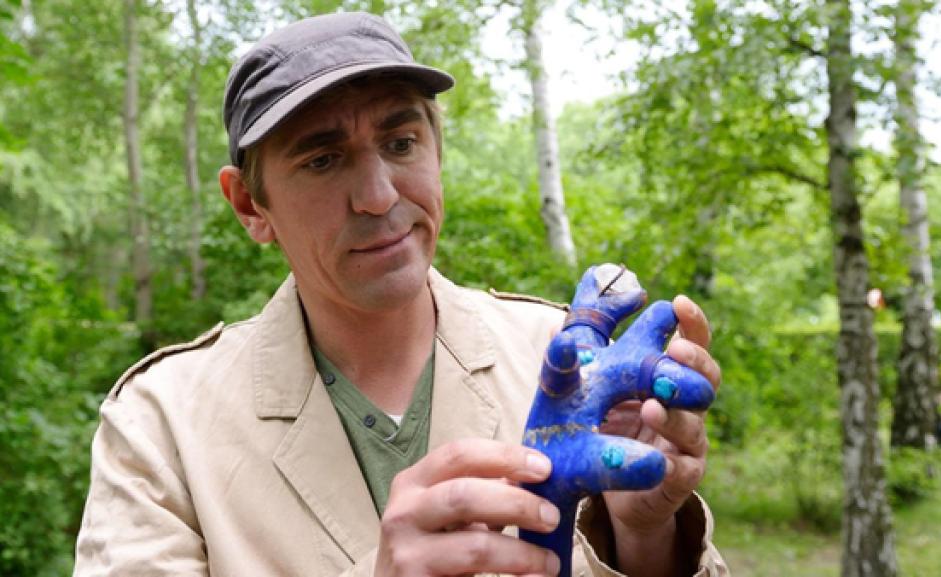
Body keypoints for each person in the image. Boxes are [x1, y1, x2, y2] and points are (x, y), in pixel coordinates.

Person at [73, 11, 729, 577]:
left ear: (437, 151)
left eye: (401, 141)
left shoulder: (562, 363)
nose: (380, 196)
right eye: (322, 159)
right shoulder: (160, 426)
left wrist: (646, 537)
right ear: (250, 204)